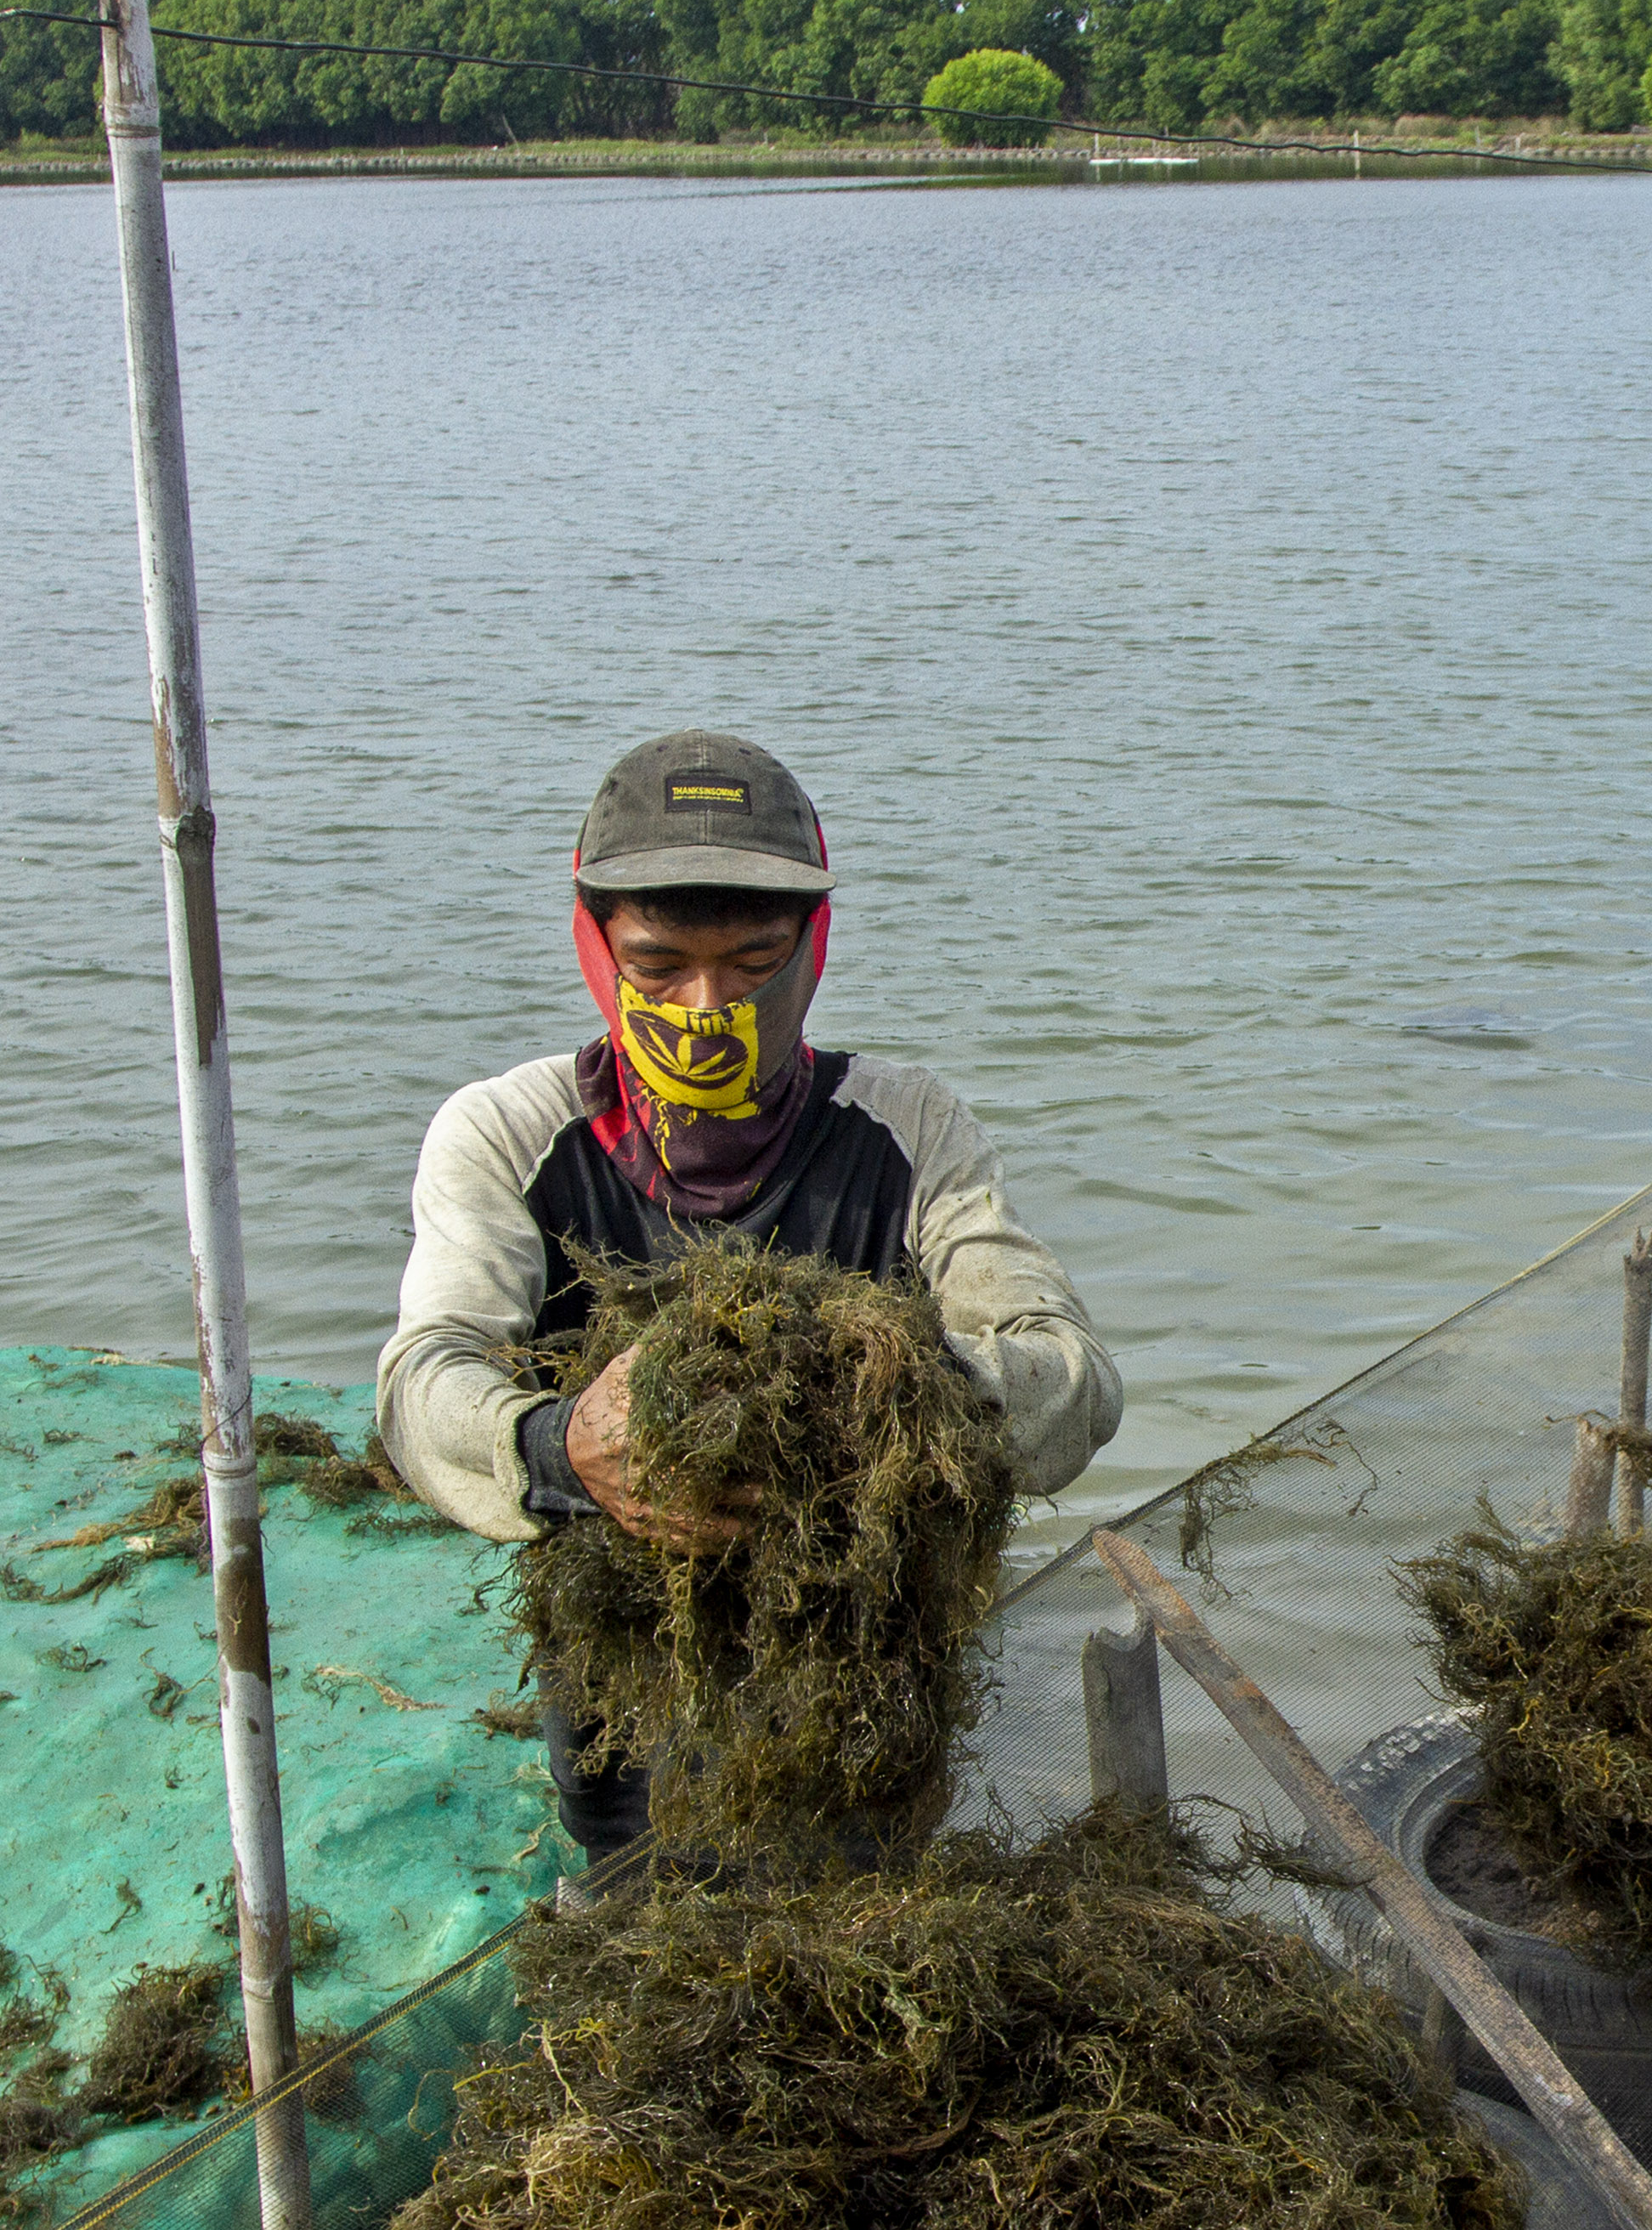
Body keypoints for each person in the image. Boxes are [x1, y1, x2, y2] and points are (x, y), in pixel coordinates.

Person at [376, 730, 1120, 1877]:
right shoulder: (507, 1135)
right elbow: (424, 1383)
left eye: (754, 960)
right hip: (627, 1678)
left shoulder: (911, 1128)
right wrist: (564, 1447)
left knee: (870, 1894)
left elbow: (1072, 1382)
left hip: (866, 1678)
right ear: (597, 948)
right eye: (659, 965)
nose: (707, 1005)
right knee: (639, 1884)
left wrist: (901, 1391)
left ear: (812, 948)